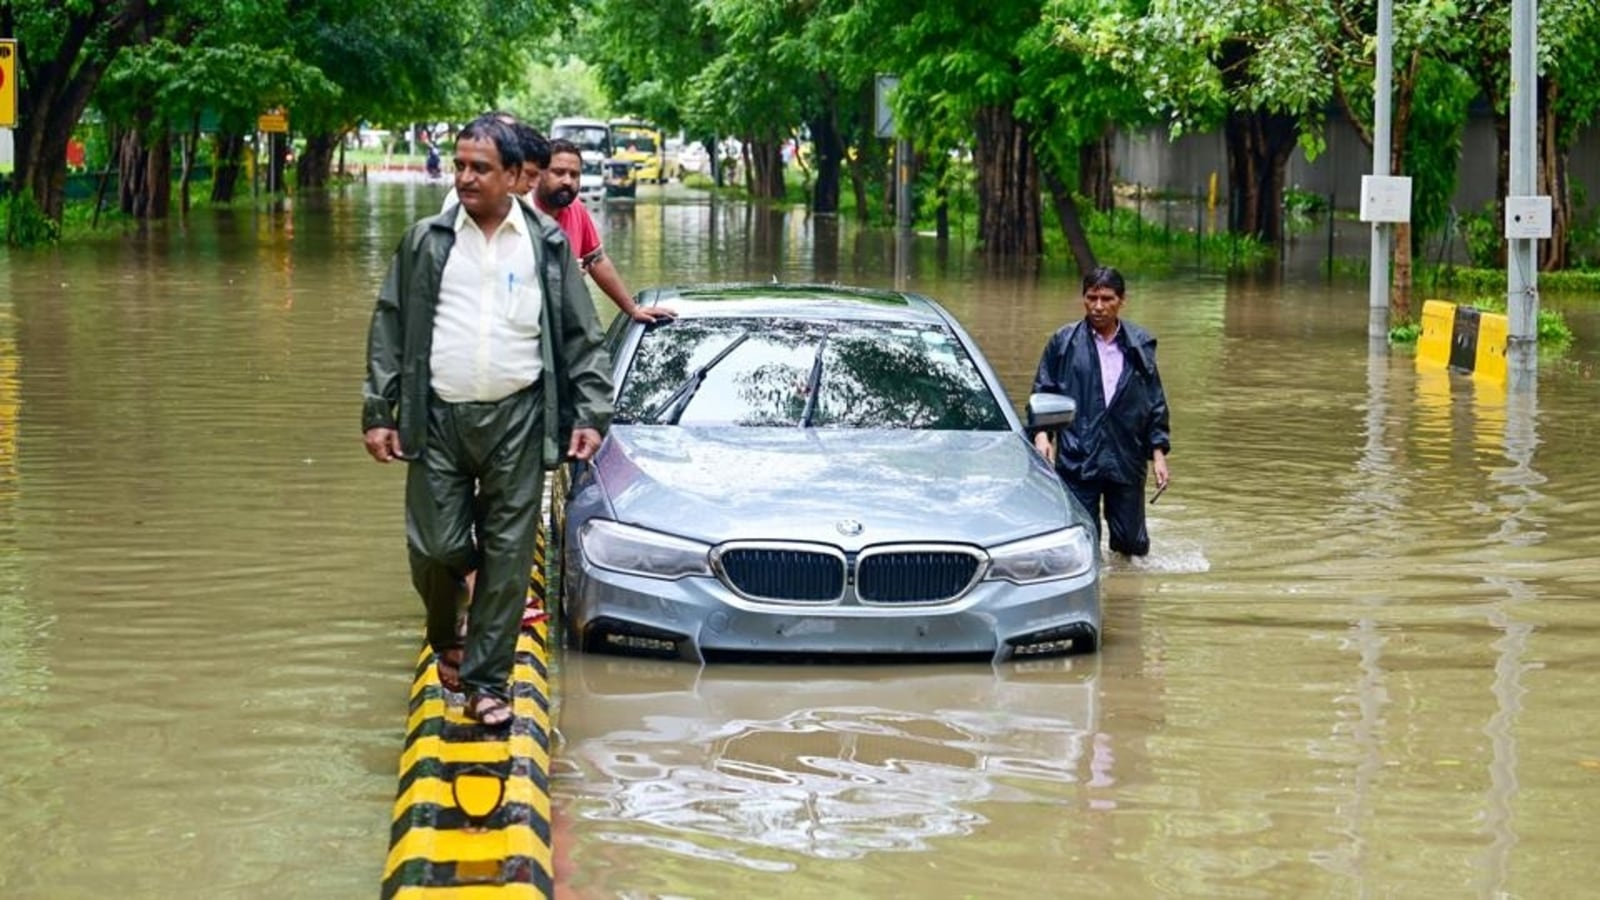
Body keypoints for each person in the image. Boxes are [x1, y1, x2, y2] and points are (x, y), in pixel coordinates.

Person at [362, 114, 613, 726]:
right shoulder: (426, 240)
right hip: (438, 418)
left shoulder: (547, 245)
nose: (466, 177)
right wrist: (379, 409)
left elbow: (582, 335)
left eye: (481, 168)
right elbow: (389, 325)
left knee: (506, 554)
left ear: (512, 178)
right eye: (461, 165)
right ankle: (446, 633)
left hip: (521, 418)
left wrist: (591, 412)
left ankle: (486, 684)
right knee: (436, 546)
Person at [1031, 266, 1170, 557]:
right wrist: (1042, 436)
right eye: (1091, 297)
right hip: (1078, 455)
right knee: (1082, 541)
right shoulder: (1064, 342)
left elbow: (1154, 402)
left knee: (1132, 545)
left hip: (1126, 455)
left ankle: (1125, 596)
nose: (1098, 306)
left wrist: (1158, 455)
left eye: (1106, 298)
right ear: (1083, 298)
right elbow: (1043, 392)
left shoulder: (1139, 346)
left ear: (1121, 300)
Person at [533, 139, 673, 324]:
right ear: (538, 173)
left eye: (574, 174)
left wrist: (632, 308)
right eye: (558, 172)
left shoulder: (576, 209)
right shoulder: (520, 212)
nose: (567, 181)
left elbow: (597, 261)